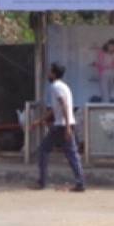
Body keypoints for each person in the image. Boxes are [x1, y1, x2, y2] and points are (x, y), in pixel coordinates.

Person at [37, 62, 86, 192]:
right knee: (72, 154)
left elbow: (63, 105)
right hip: (66, 124)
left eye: (49, 71)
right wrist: (41, 120)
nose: (48, 74)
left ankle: (42, 182)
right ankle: (80, 182)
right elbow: (56, 109)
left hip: (61, 126)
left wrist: (67, 127)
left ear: (53, 74)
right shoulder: (64, 86)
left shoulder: (55, 87)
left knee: (43, 150)